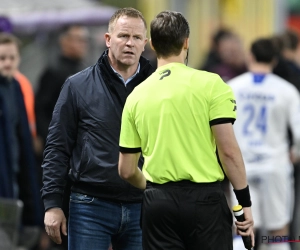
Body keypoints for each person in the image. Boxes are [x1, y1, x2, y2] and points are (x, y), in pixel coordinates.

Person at [118, 10, 254, 250]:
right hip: (205, 202)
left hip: (158, 204)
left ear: (151, 44)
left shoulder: (136, 95)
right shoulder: (212, 84)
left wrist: (152, 187)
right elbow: (229, 152)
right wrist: (244, 204)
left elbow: (127, 170)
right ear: (186, 42)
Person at [41, 7, 154, 250]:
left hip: (143, 205)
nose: (130, 43)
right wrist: (52, 204)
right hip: (90, 206)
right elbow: (57, 148)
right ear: (108, 39)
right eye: (123, 36)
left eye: (136, 38)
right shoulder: (77, 86)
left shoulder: (158, 88)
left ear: (145, 43)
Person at [228, 38, 300, 250]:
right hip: (275, 167)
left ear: (250, 56)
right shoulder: (286, 90)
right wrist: (295, 153)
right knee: (277, 231)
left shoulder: (232, 87)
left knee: (243, 229)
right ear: (275, 60)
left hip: (242, 167)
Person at [0, 32, 43, 247]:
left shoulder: (16, 87)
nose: (8, 63)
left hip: (15, 172)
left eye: (12, 58)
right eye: (2, 58)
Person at [35, 24, 89, 147]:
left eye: (85, 40)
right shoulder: (54, 71)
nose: (83, 44)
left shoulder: (85, 70)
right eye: (79, 40)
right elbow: (41, 109)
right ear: (64, 41)